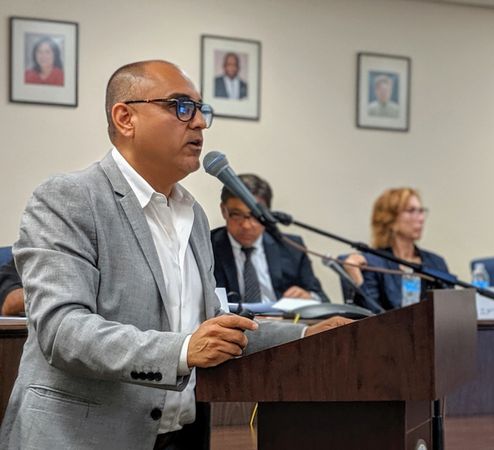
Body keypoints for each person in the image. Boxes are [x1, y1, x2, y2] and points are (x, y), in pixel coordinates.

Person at [0, 60, 348, 450]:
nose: (198, 122)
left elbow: (209, 327)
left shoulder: (193, 215)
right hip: (84, 437)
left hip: (180, 436)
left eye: (202, 110)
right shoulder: (70, 199)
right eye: (181, 106)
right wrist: (182, 350)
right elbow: (63, 331)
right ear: (125, 117)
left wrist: (304, 336)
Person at [211, 173, 329, 303]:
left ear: (267, 213)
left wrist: (309, 297)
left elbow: (323, 299)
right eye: (236, 214)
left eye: (255, 215)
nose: (246, 225)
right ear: (223, 210)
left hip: (282, 321)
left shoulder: (291, 247)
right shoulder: (207, 247)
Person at [343, 188, 448, 312]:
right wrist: (357, 280)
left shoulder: (436, 263)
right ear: (389, 218)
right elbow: (372, 319)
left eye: (421, 211)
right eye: (411, 210)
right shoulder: (371, 263)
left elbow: (449, 313)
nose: (421, 218)